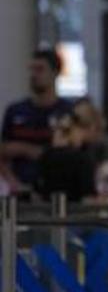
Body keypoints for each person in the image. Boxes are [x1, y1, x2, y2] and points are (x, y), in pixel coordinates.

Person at [1, 49, 76, 189]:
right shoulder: (15, 111)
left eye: (40, 69)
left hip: (57, 189)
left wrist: (25, 149)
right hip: (19, 187)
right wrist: (13, 183)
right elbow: (3, 151)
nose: (34, 75)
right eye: (32, 69)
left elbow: (69, 155)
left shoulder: (68, 112)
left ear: (55, 73)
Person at [34, 112, 99, 202]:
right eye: (81, 130)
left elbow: (37, 188)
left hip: (48, 209)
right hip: (76, 211)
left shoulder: (45, 155)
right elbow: (88, 194)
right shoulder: (82, 158)